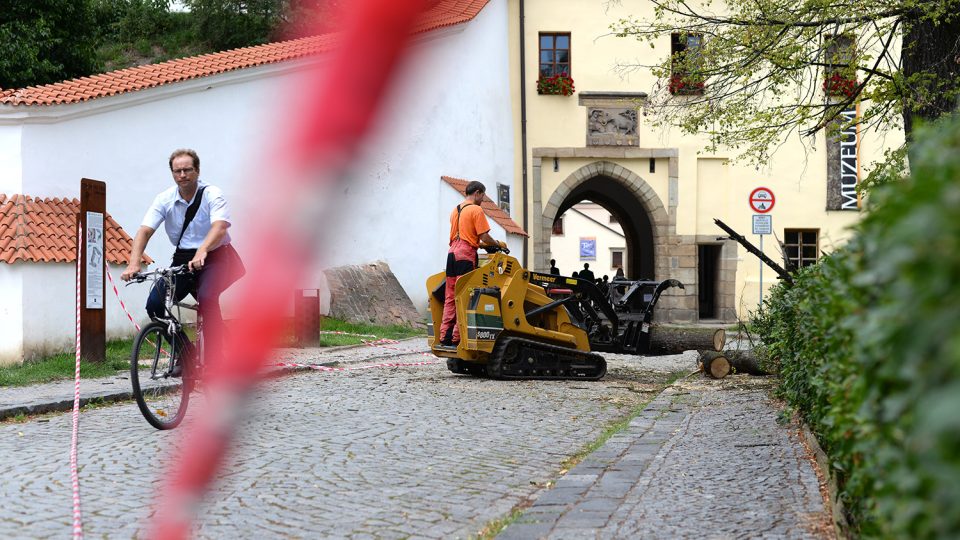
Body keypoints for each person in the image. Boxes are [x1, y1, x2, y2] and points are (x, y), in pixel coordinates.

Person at [121, 149, 244, 372]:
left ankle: (216, 361)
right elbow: (144, 231)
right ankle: (186, 353)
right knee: (156, 305)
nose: (182, 175)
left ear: (197, 170)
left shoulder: (212, 194)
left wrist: (203, 250)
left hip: (216, 256)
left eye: (187, 170)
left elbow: (220, 226)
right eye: (177, 171)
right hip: (183, 259)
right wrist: (134, 262)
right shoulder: (165, 199)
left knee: (207, 298)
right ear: (172, 173)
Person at [438, 181, 506, 347]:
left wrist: (480, 244)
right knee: (464, 297)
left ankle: (444, 337)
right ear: (477, 192)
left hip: (452, 254)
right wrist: (496, 244)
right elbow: (483, 236)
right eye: (483, 195)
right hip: (465, 255)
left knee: (451, 297)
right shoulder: (476, 210)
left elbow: (464, 236)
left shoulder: (456, 210)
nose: (483, 199)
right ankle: (456, 338)